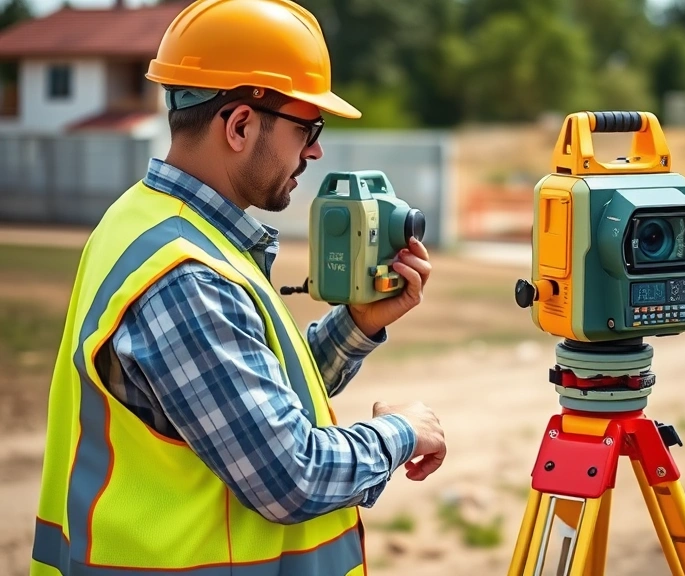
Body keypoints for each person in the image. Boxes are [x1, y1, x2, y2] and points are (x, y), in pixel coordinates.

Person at [29, 0, 445, 573]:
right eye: (308, 127)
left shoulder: (147, 221)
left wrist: (358, 324)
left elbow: (234, 404)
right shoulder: (186, 276)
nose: (315, 150)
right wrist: (401, 431)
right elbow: (288, 478)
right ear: (241, 124)